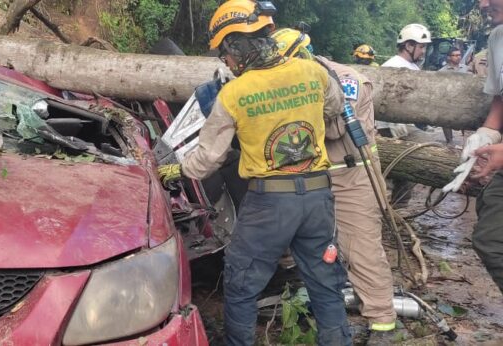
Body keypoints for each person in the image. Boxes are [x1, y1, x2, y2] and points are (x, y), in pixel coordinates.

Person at [157, 1, 351, 344]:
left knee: (242, 284)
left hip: (269, 204)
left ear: (235, 46)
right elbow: (335, 107)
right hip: (319, 198)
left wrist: (174, 169)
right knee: (326, 284)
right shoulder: (313, 73)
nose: (226, 62)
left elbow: (207, 160)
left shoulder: (234, 93)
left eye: (224, 54)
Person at [272, 28, 398, 345]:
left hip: (351, 175)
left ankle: (382, 321)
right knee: (309, 246)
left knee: (361, 248)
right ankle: (324, 308)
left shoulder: (346, 80)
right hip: (309, 174)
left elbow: (335, 127)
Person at [445, 0, 503, 294]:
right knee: (490, 239)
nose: (482, 4)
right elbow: (500, 100)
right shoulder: (497, 38)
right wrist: (486, 136)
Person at [378, 23, 432, 208]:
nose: (423, 51)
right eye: (421, 46)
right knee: (398, 167)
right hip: (387, 127)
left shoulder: (412, 67)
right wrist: (392, 123)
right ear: (409, 45)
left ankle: (399, 209)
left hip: (404, 126)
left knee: (407, 170)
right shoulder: (392, 66)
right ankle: (389, 209)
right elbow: (382, 100)